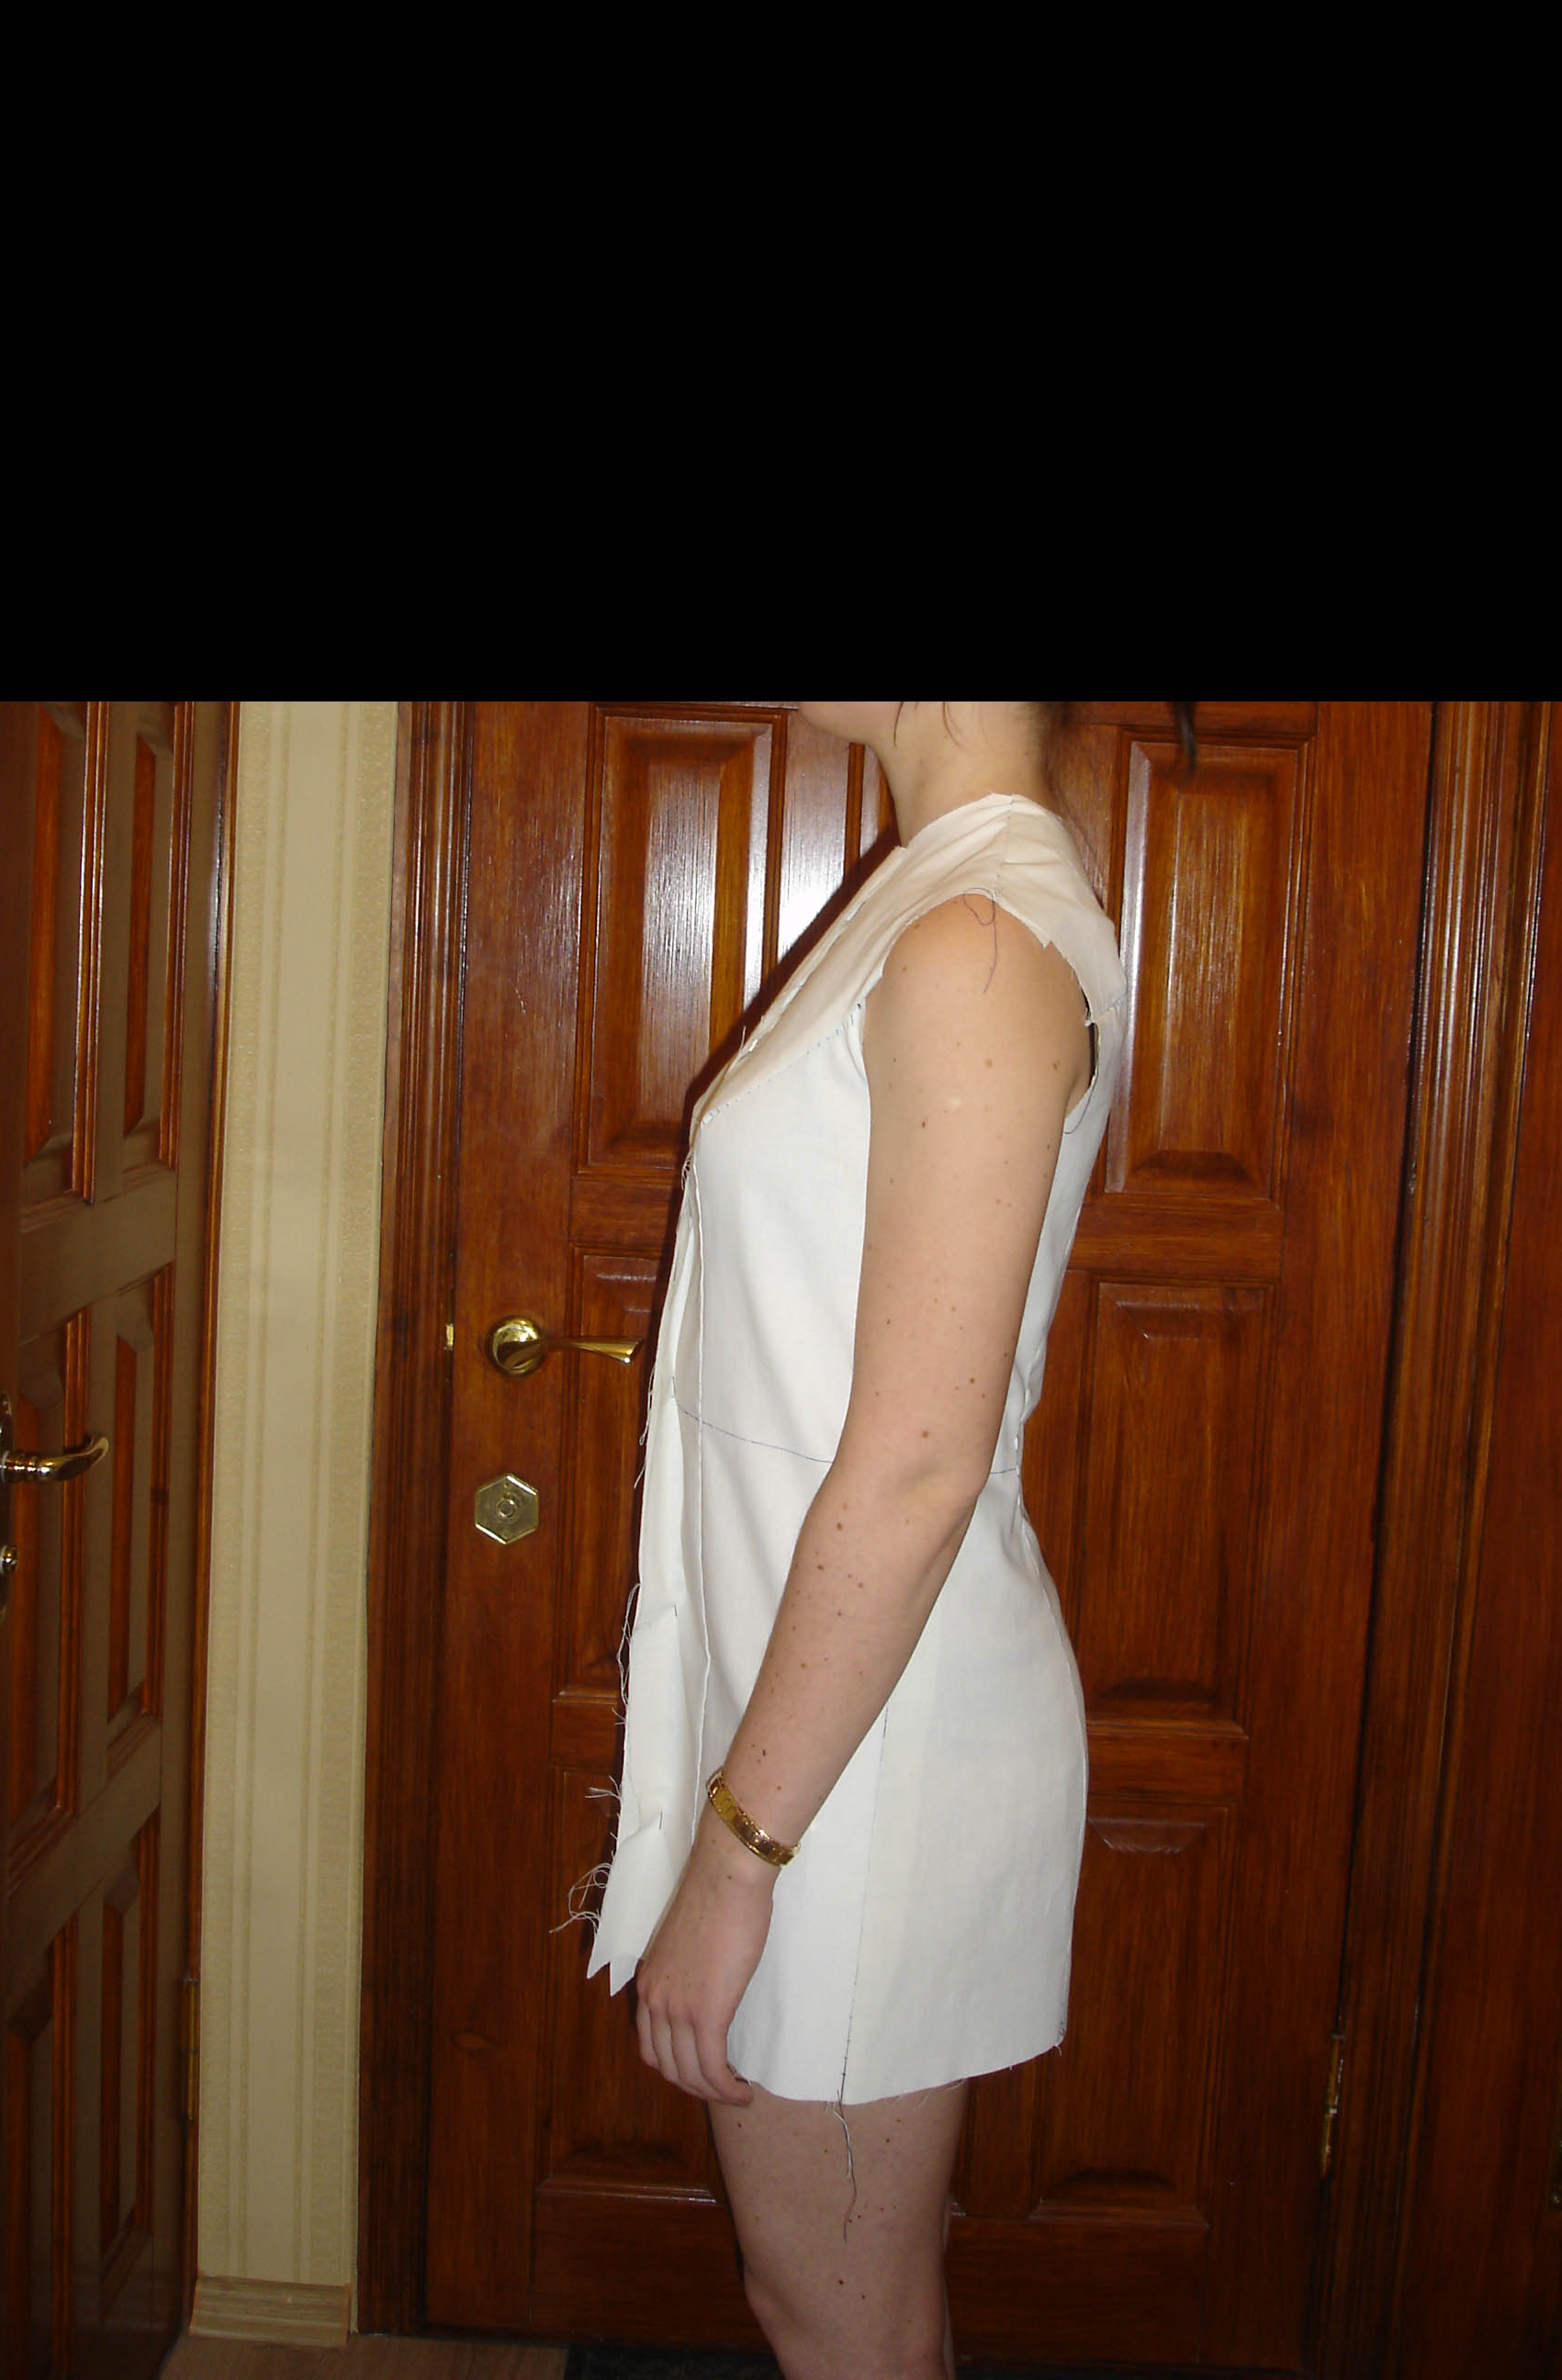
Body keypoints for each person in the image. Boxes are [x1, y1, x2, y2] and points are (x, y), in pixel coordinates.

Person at [586, 702, 1136, 2380]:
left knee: (839, 2325)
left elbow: (914, 1467)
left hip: (851, 1775)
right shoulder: (940, 894)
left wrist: (738, 1858)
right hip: (824, 1729)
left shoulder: (978, 939)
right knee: (854, 2317)